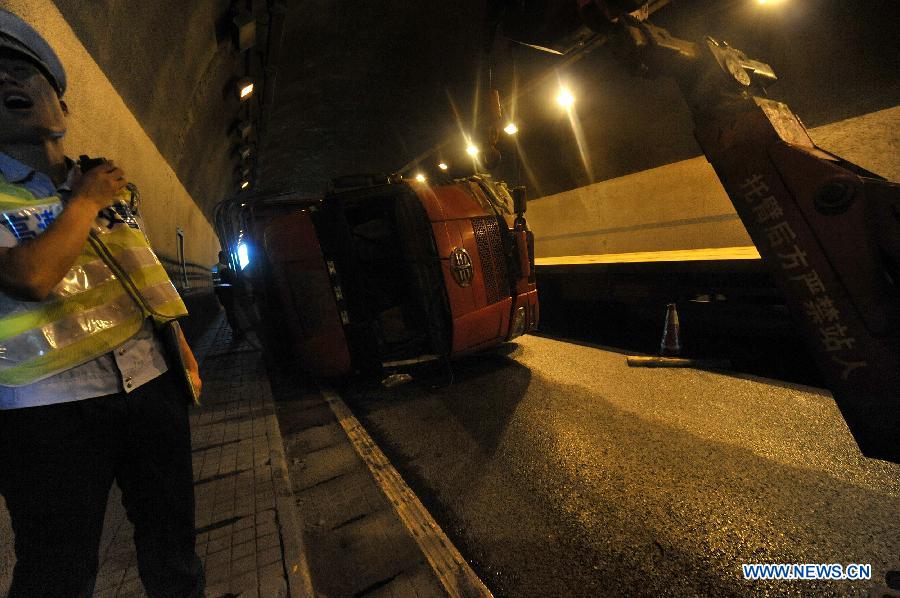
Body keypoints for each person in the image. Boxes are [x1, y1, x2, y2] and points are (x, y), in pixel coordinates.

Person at [0, 9, 204, 597]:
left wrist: (181, 353)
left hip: (150, 384)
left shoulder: (110, 183)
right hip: (46, 415)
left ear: (62, 105)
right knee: (57, 573)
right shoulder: (96, 191)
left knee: (175, 551)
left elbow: (143, 276)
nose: (6, 83)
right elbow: (29, 276)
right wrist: (84, 203)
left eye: (20, 70)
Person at [213, 249, 242, 337]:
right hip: (229, 294)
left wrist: (218, 294)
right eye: (226, 257)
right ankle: (237, 330)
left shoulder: (214, 268)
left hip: (222, 295)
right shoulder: (226, 269)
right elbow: (232, 282)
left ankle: (235, 330)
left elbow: (215, 283)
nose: (227, 259)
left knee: (229, 312)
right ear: (223, 257)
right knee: (233, 312)